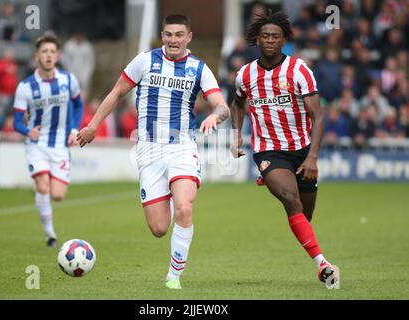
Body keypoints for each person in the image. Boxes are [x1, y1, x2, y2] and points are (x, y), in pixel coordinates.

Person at [77, 14, 230, 289]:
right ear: (162, 35)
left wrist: (215, 116)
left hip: (182, 147)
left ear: (189, 37)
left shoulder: (198, 68)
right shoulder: (144, 61)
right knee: (159, 228)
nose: (173, 40)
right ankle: (171, 192)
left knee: (185, 208)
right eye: (169, 34)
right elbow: (115, 93)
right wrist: (92, 126)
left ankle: (174, 277)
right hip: (148, 151)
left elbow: (222, 105)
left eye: (179, 34)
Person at [230, 10, 339, 288]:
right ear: (257, 39)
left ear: (284, 40)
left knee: (304, 213)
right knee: (290, 198)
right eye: (265, 36)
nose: (269, 41)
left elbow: (318, 116)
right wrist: (236, 135)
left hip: (302, 151)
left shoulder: (299, 70)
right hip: (268, 151)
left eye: (275, 37)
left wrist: (313, 156)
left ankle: (275, 179)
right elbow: (237, 104)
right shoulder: (245, 74)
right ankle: (322, 265)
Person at [12, 35, 84, 247]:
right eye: (44, 52)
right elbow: (17, 121)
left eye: (52, 52)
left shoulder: (68, 80)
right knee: (43, 188)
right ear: (37, 56)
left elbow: (79, 105)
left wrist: (74, 130)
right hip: (37, 145)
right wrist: (27, 131)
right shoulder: (25, 87)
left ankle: (44, 188)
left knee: (58, 195)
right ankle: (50, 235)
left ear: (58, 55)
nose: (49, 55)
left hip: (61, 145)